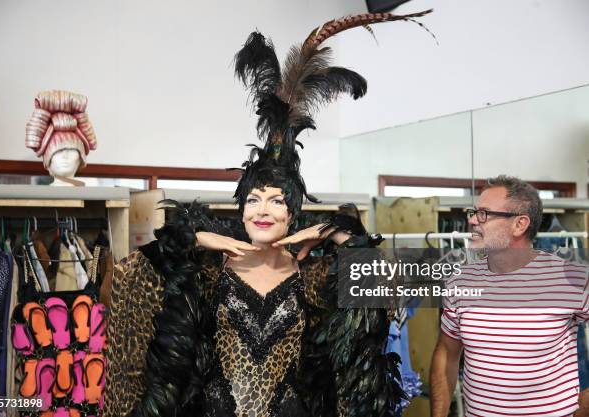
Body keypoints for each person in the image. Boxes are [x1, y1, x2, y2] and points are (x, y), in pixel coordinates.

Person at [104, 9, 432, 417]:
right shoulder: (210, 271)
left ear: (291, 215)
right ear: (240, 209)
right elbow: (131, 275)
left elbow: (378, 290)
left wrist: (335, 232)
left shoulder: (311, 277)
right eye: (254, 200)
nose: (263, 210)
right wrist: (193, 238)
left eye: (277, 201)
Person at [430, 175, 589, 417]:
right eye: (473, 212)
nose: (472, 220)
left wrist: (583, 407)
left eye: (484, 213)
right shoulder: (459, 282)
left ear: (519, 225)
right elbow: (446, 354)